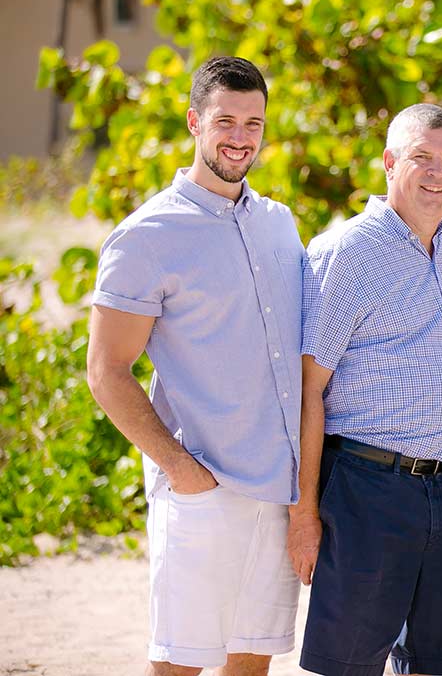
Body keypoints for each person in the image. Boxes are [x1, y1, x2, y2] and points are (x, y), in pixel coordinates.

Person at [86, 56, 303, 676]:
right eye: (225, 121)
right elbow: (105, 371)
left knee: (251, 663)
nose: (240, 137)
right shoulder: (145, 236)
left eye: (253, 124)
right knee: (179, 665)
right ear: (193, 122)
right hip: (202, 487)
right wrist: (180, 469)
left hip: (277, 490)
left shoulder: (279, 224)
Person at [288, 103, 442, 676]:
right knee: (349, 665)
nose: (437, 172)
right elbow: (308, 390)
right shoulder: (348, 252)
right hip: (369, 490)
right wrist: (304, 515)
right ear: (389, 162)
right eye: (422, 157)